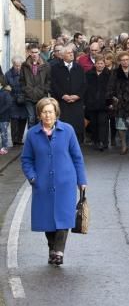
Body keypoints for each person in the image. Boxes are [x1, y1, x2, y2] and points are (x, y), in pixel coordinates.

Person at [21, 97, 87, 266]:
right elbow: (26, 160)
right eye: (44, 112)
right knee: (47, 220)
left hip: (65, 182)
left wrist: (81, 180)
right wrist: (33, 178)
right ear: (39, 114)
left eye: (50, 111)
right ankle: (52, 248)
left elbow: (77, 157)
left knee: (64, 218)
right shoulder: (32, 135)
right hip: (42, 184)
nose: (48, 115)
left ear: (56, 112)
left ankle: (58, 251)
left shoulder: (68, 130)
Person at [51, 45, 86, 143]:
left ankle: (77, 144)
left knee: (76, 126)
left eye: (72, 52)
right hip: (62, 102)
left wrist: (77, 96)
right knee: (63, 125)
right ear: (62, 56)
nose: (71, 54)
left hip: (76, 102)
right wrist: (63, 95)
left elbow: (84, 84)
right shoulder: (55, 68)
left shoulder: (79, 68)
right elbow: (53, 84)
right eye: (68, 53)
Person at [84, 54, 111, 151]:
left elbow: (111, 89)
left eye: (102, 63)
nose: (100, 65)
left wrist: (110, 102)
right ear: (95, 64)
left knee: (103, 123)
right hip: (92, 103)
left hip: (104, 103)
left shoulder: (109, 74)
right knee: (94, 123)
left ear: (105, 64)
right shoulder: (88, 74)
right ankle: (96, 141)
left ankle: (104, 142)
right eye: (98, 63)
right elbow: (85, 88)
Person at [20, 45, 51, 128]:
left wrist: (44, 90)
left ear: (39, 52)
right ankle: (31, 139)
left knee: (40, 118)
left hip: (41, 96)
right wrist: (25, 89)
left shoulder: (46, 65)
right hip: (28, 96)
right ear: (29, 53)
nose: (34, 54)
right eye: (32, 52)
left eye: (36, 52)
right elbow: (22, 80)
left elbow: (48, 80)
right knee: (31, 118)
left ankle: (40, 138)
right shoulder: (24, 65)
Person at [5, 57, 28, 145]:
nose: (18, 67)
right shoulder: (8, 74)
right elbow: (5, 86)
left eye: (19, 65)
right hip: (13, 99)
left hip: (24, 99)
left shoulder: (25, 73)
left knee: (23, 119)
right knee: (14, 119)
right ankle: (14, 139)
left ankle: (19, 138)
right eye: (16, 66)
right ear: (13, 65)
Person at [0, 80, 13, 154]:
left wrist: (1, 111)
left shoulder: (5, 93)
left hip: (4, 117)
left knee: (3, 132)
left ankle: (4, 147)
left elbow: (8, 104)